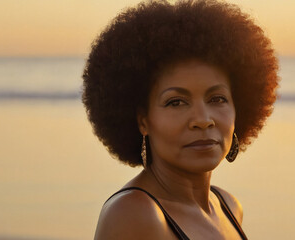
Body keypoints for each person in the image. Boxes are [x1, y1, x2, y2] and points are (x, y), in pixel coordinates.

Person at [82, 0, 278, 239]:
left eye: (217, 99)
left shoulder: (228, 206)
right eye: (176, 102)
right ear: (143, 120)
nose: (203, 120)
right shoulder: (134, 214)